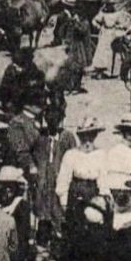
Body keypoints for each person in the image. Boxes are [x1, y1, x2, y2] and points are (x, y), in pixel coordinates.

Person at [33, 106, 77, 252]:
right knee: (43, 208)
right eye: (50, 122)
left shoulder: (67, 137)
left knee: (59, 209)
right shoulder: (41, 137)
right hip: (44, 180)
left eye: (57, 121)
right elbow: (36, 155)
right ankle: (43, 239)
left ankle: (59, 241)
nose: (54, 125)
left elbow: (73, 156)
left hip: (59, 179)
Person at [54, 120, 107, 232]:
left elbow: (103, 179)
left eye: (91, 138)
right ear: (79, 138)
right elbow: (63, 180)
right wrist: (64, 203)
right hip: (75, 196)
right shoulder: (71, 155)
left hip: (94, 195)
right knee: (76, 229)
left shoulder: (100, 154)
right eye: (84, 139)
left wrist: (103, 198)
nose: (87, 143)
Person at [91, 0, 131, 79]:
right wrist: (98, 26)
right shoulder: (103, 13)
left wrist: (121, 27)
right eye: (110, 4)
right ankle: (102, 69)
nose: (111, 6)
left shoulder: (118, 14)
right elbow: (94, 20)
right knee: (103, 51)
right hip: (105, 34)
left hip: (113, 33)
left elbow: (125, 24)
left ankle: (114, 71)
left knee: (114, 51)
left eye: (113, 4)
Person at [0, 46, 46, 114]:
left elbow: (39, 81)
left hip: (28, 102)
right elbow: (6, 88)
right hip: (14, 100)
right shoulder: (11, 70)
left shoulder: (33, 69)